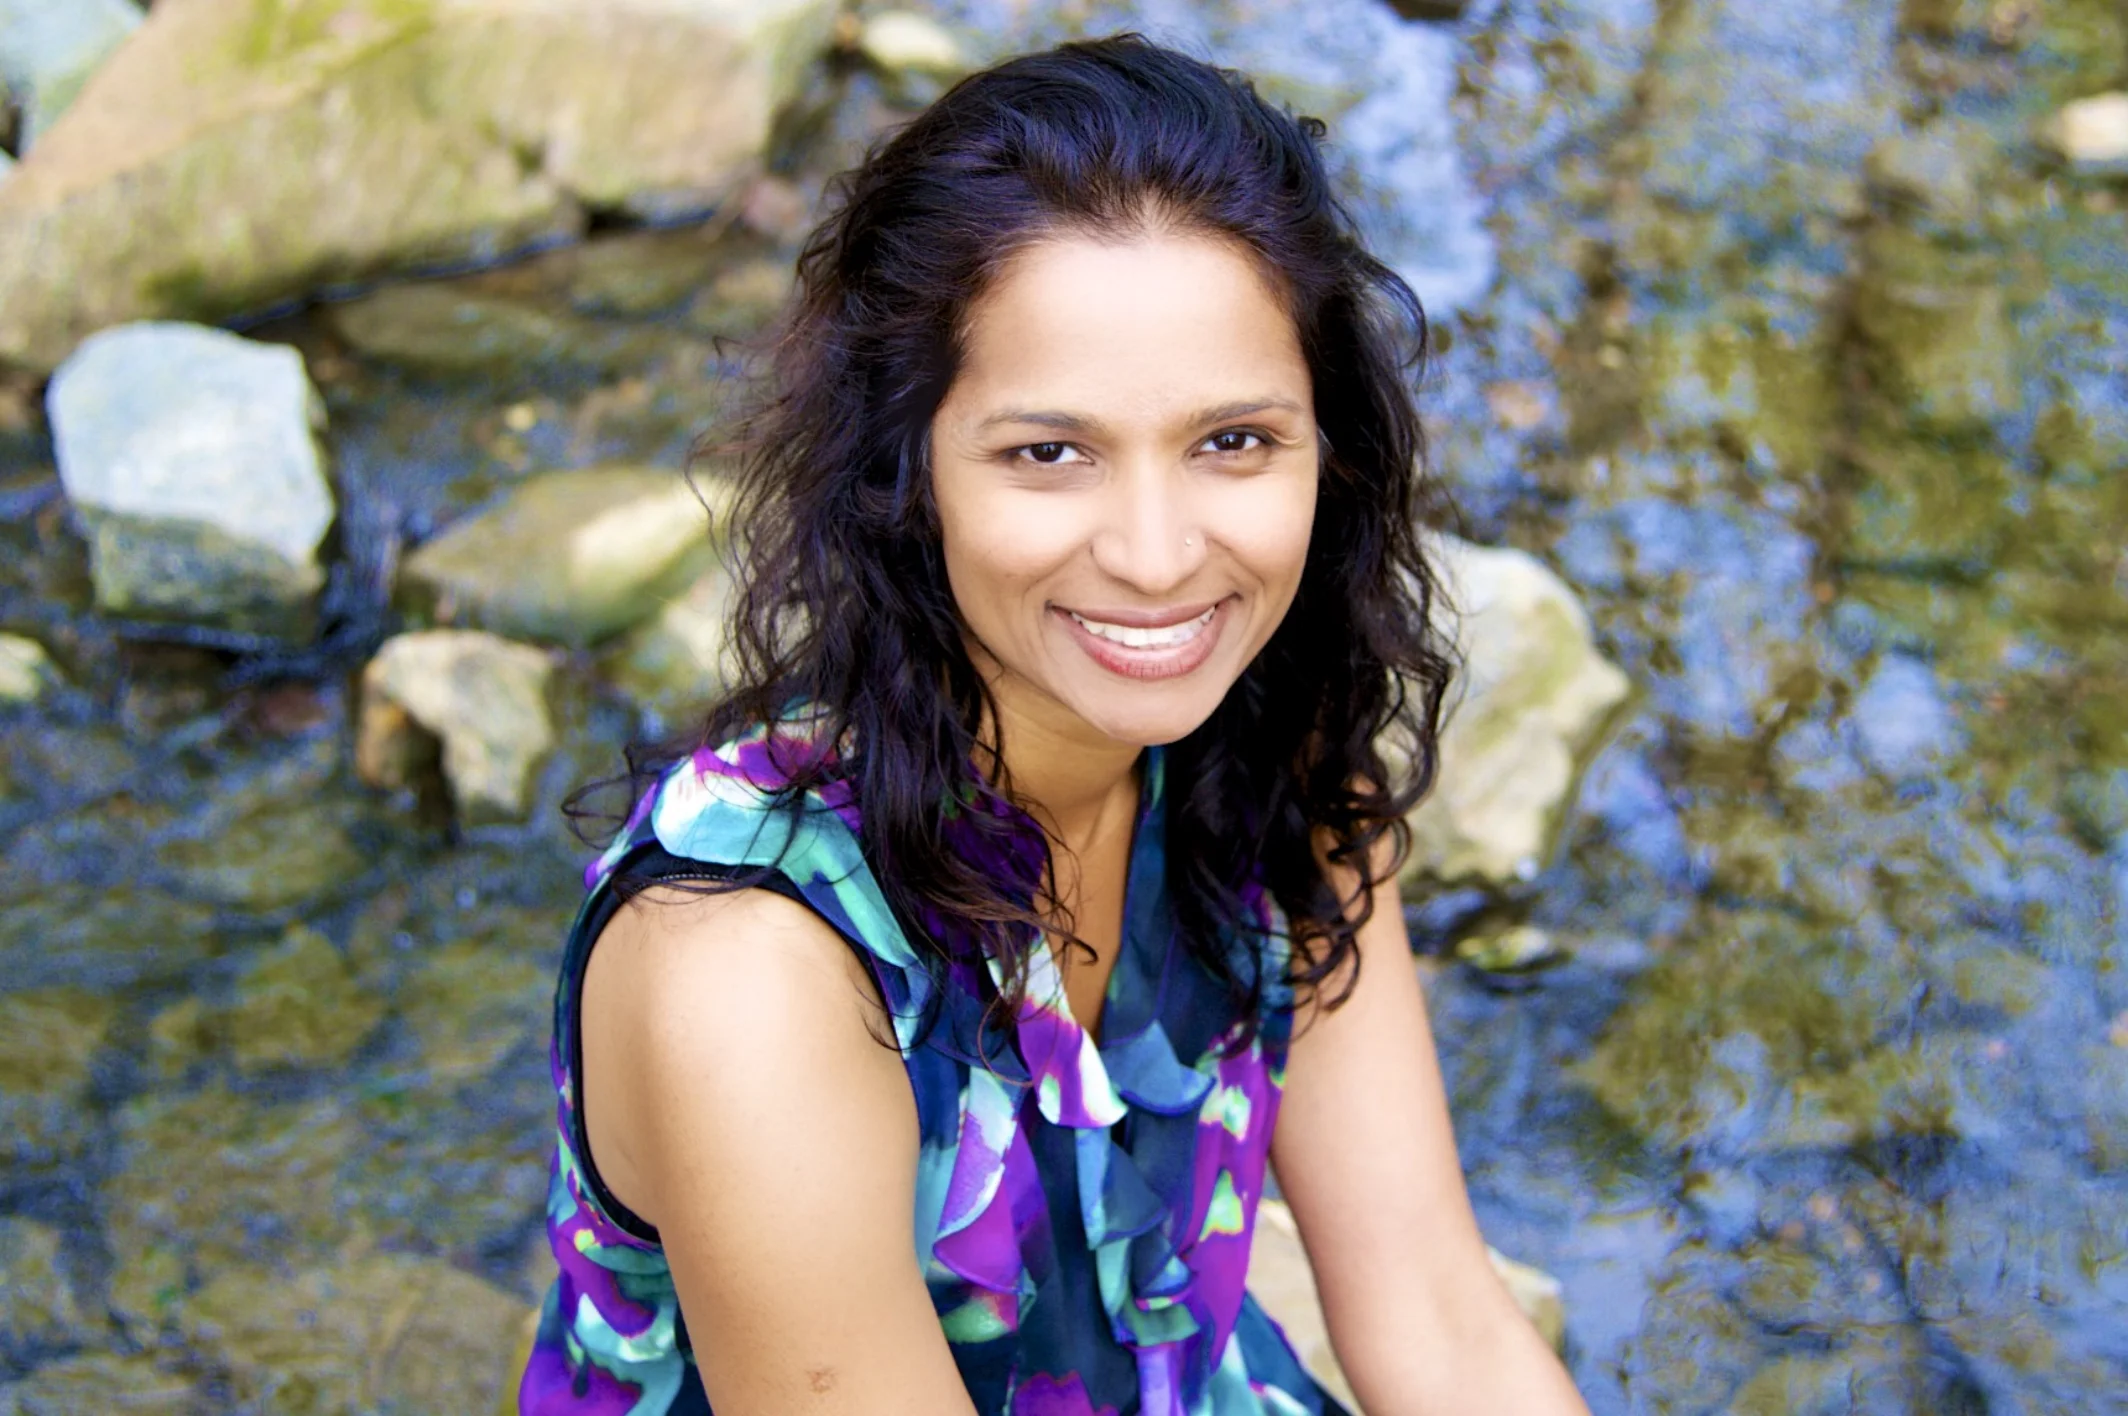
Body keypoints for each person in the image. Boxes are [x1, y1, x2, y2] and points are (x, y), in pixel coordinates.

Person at [516, 30, 1591, 1416]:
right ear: (909, 473)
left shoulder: (1276, 773)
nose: (1156, 556)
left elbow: (1438, 1320)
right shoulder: (752, 968)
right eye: (1050, 452)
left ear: (1330, 448)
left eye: (1233, 441)